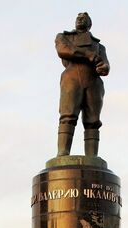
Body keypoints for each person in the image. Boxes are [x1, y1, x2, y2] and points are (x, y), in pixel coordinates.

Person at [55, 12, 109, 157]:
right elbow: (64, 50)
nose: (80, 19)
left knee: (93, 121)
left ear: (89, 24)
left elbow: (105, 65)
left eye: (83, 18)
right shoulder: (64, 37)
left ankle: (92, 156)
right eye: (78, 18)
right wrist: (88, 55)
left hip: (93, 82)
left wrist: (103, 67)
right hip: (72, 79)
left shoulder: (99, 46)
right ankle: (63, 152)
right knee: (68, 116)